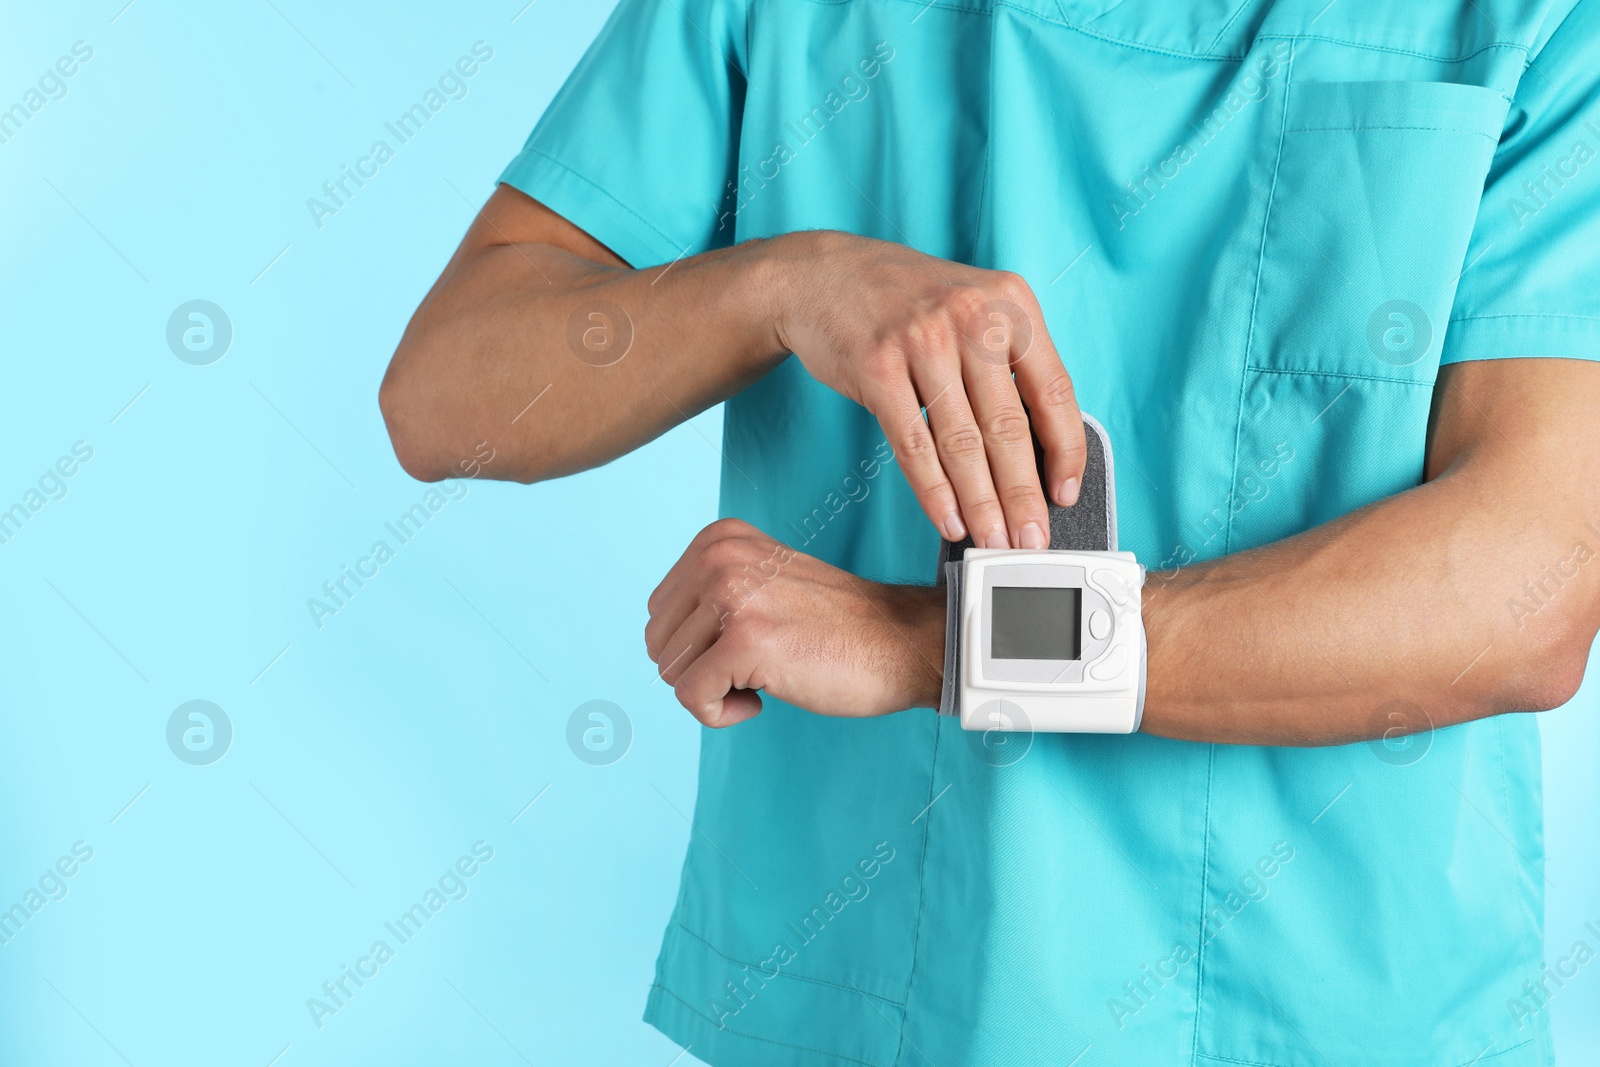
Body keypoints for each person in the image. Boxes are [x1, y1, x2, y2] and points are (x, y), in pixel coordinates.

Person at [379, 0, 1600, 1062]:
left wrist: (941, 645)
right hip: (865, 978)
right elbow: (443, 394)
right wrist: (783, 284)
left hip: (1321, 1004)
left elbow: (1526, 587)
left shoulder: (1542, 24)